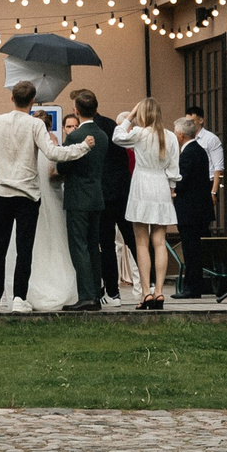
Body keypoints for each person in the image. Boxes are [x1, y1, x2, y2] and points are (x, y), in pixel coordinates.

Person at [0, 81, 68, 312]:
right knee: (24, 248)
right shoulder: (36, 125)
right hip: (27, 194)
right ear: (32, 101)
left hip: (3, 192)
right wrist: (82, 148)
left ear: (11, 99)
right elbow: (52, 152)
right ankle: (19, 297)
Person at [112, 100, 181, 307]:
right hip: (161, 184)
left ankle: (145, 291)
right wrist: (171, 190)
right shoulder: (169, 136)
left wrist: (130, 116)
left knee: (141, 243)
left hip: (142, 183)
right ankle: (159, 291)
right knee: (159, 242)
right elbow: (174, 168)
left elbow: (117, 136)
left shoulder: (139, 133)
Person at [50, 90, 110, 311]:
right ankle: (95, 291)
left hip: (77, 196)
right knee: (94, 246)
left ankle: (86, 295)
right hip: (96, 195)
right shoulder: (102, 135)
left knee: (79, 246)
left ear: (76, 110)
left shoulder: (75, 137)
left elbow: (63, 166)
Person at [171, 115, 214, 299]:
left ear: (181, 135)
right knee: (194, 250)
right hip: (198, 210)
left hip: (190, 211)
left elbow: (182, 181)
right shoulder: (199, 150)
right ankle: (194, 285)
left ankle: (192, 287)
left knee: (191, 250)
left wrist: (171, 187)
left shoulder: (188, 154)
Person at [96, 91, 134, 301]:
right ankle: (150, 286)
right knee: (134, 240)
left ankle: (113, 291)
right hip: (123, 192)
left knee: (107, 244)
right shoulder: (112, 125)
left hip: (103, 194)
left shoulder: (92, 130)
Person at [188, 104, 227, 209]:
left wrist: (213, 191)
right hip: (191, 184)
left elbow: (218, 167)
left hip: (206, 183)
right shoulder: (187, 138)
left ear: (201, 120)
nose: (189, 125)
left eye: (192, 121)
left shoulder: (211, 139)